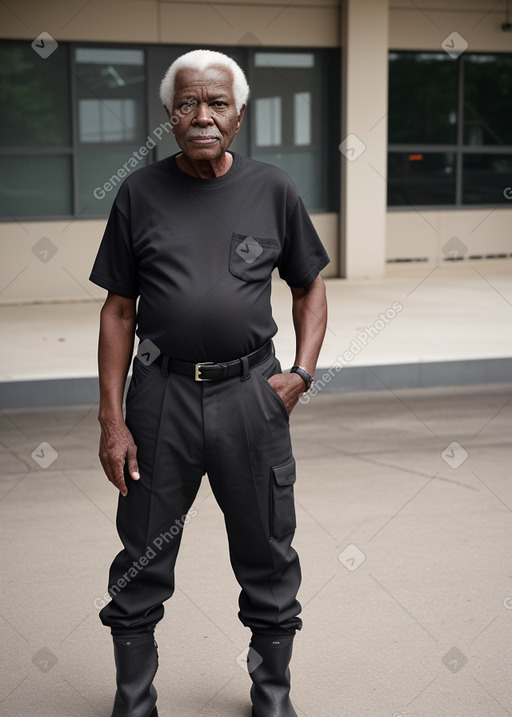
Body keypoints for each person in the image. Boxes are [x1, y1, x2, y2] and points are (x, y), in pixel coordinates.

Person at [90, 48, 329, 717]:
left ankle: (271, 693)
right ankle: (133, 699)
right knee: (141, 553)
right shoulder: (139, 193)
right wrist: (112, 420)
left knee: (267, 551)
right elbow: (117, 309)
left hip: (252, 395)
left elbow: (310, 287)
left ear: (239, 114)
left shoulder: (273, 189)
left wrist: (300, 375)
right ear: (169, 115)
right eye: (188, 104)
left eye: (217, 103)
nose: (202, 116)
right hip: (159, 397)